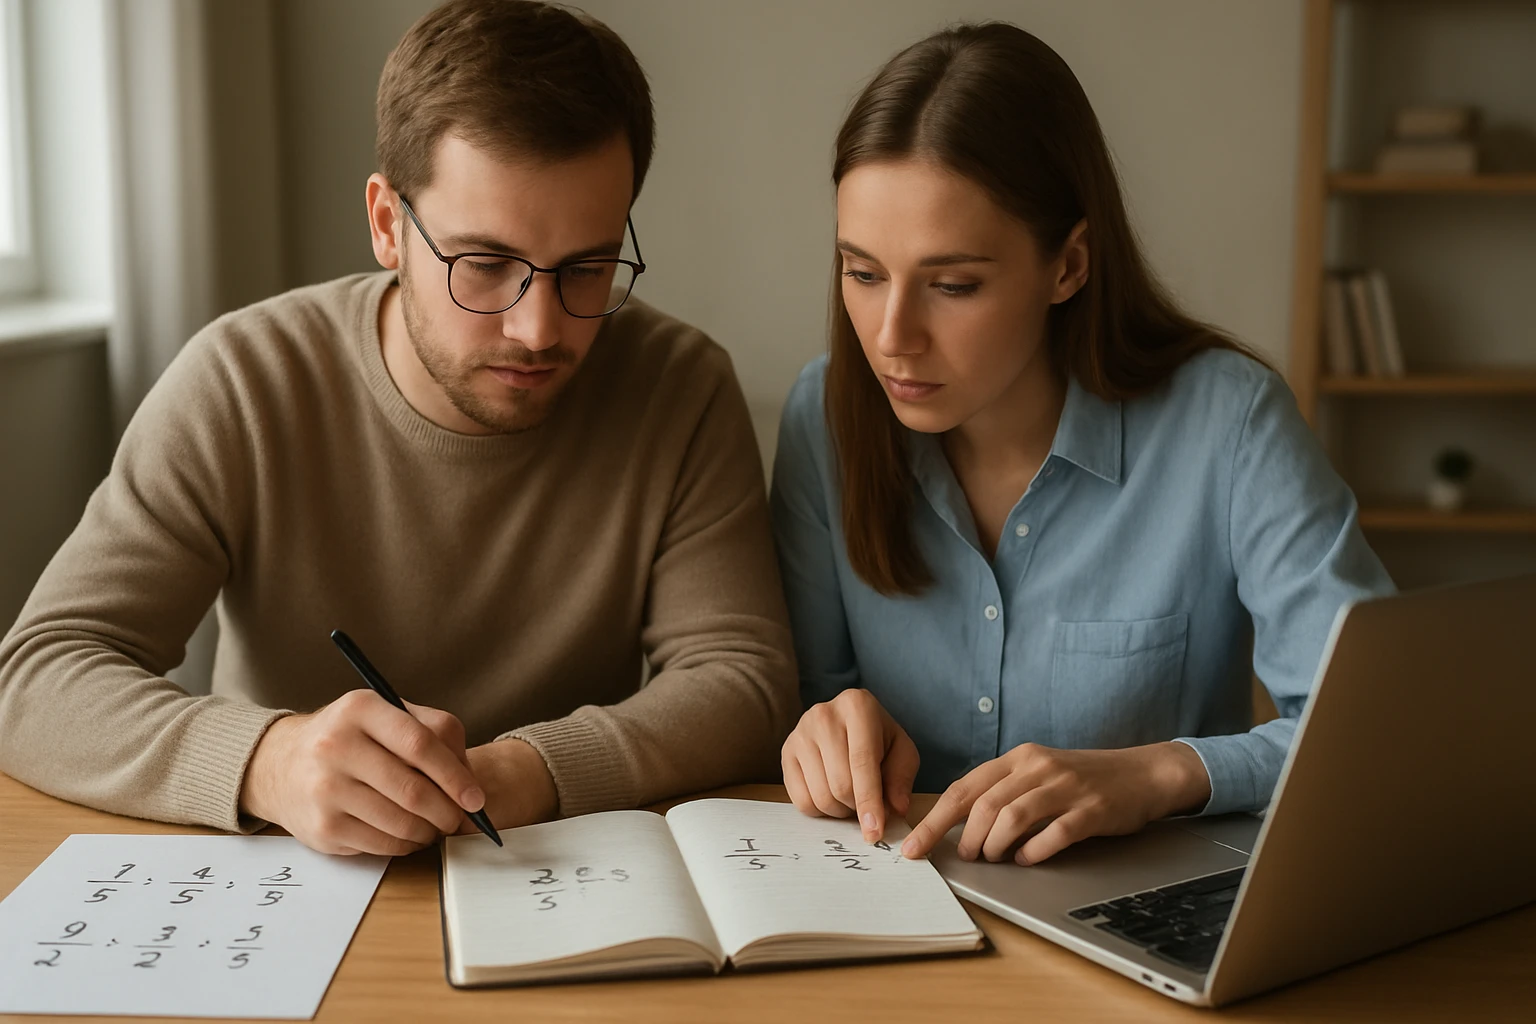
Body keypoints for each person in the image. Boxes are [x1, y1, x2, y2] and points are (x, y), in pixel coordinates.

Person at [0, 0, 797, 857]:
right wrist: (271, 762)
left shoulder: (681, 386)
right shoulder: (244, 379)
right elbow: (38, 675)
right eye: (484, 265)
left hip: (547, 865)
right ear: (387, 224)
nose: (538, 328)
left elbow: (743, 681)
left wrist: (531, 768)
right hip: (286, 879)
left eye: (587, 268)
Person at [772, 23, 1393, 868]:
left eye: (952, 285)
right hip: (892, 912)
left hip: (1140, 925)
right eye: (863, 272)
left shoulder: (1229, 422)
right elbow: (810, 699)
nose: (892, 337)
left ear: (1068, 265)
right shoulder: (825, 418)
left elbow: (1370, 733)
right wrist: (823, 730)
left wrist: (1160, 774)